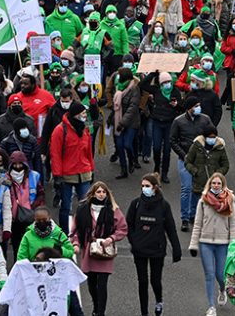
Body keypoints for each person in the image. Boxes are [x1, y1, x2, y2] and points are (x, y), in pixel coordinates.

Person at [125, 174, 181, 316]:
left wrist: (176, 248)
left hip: (157, 250)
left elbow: (170, 228)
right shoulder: (136, 204)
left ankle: (159, 301)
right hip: (140, 250)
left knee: (155, 281)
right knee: (142, 282)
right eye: (143, 186)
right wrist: (134, 241)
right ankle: (144, 312)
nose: (144, 189)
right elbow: (128, 224)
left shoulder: (163, 205)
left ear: (155, 188)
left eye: (147, 186)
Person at [70, 182, 128, 316]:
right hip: (89, 250)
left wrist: (112, 238)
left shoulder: (113, 209)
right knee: (91, 284)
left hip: (104, 249)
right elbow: (76, 230)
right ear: (93, 193)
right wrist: (76, 244)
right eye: (99, 192)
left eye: (104, 192)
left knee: (102, 284)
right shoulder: (83, 209)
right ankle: (96, 306)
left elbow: (123, 228)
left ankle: (100, 312)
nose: (101, 194)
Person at [189, 173, 235, 316]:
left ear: (223, 186)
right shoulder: (203, 201)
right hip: (206, 242)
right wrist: (193, 244)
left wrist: (233, 245)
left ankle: (222, 290)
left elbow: (234, 224)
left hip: (223, 243)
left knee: (220, 274)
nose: (216, 185)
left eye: (218, 183)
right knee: (209, 274)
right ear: (210, 184)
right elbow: (197, 224)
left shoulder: (230, 201)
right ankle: (211, 306)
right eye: (213, 183)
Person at [168, 97, 214, 232]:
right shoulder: (178, 121)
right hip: (185, 160)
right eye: (196, 106)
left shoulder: (205, 120)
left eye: (199, 105)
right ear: (189, 108)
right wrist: (183, 155)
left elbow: (212, 136)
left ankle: (194, 214)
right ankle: (185, 218)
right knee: (186, 188)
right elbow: (172, 140)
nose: (198, 108)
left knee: (197, 189)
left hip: (201, 160)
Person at [49, 101, 94, 234]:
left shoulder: (85, 129)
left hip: (83, 172)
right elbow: (55, 154)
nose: (85, 115)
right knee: (65, 207)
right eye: (83, 113)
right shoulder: (60, 130)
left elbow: (89, 152)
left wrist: (91, 168)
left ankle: (83, 232)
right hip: (67, 174)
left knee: (85, 206)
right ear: (75, 114)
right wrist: (57, 175)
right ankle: (65, 233)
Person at [185, 127, 230, 198]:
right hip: (198, 186)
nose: (212, 139)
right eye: (210, 137)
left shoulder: (220, 148)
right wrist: (195, 171)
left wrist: (217, 174)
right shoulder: (197, 146)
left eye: (214, 137)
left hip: (215, 189)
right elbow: (187, 162)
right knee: (196, 207)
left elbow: (225, 165)